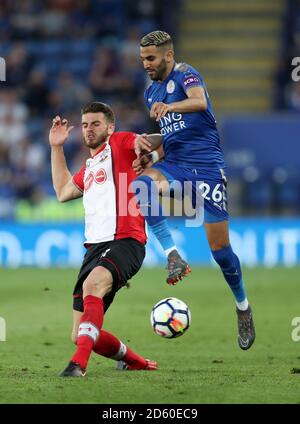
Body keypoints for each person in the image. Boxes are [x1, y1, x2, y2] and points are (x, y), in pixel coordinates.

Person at [133, 30, 255, 350]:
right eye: (142, 59)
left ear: (168, 56)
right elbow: (173, 138)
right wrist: (152, 154)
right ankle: (173, 256)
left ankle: (242, 307)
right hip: (176, 166)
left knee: (221, 252)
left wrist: (169, 108)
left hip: (207, 171)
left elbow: (200, 103)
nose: (146, 64)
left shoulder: (186, 74)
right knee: (141, 185)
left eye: (151, 58)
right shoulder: (151, 93)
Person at [49, 101, 158, 377]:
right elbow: (62, 191)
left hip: (126, 241)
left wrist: (144, 145)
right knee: (81, 334)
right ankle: (135, 360)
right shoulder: (89, 167)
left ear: (110, 126)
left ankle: (78, 366)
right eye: (85, 125)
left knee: (92, 284)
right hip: (95, 249)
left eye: (95, 124)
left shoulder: (120, 143)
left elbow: (155, 142)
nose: (89, 130)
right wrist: (56, 147)